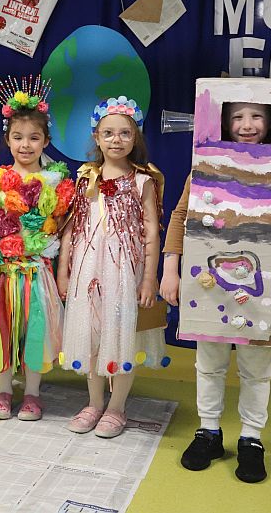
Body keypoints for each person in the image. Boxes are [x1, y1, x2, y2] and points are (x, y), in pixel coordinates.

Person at [159, 99, 271, 482]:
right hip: (211, 286)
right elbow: (181, 216)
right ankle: (208, 432)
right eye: (237, 116)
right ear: (224, 122)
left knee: (257, 368)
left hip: (264, 289)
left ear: (270, 122)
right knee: (209, 363)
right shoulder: (203, 168)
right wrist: (171, 269)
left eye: (256, 116)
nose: (247, 124)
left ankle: (252, 438)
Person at [0, 77, 72, 421]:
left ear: (46, 141)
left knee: (35, 332)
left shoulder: (55, 183)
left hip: (35, 273)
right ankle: (4, 390)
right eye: (18, 137)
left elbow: (61, 230)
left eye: (34, 138)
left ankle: (33, 394)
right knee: (0, 329)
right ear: (7, 139)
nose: (25, 145)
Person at [57, 96, 164, 438]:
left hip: (123, 272)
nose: (116, 140)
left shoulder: (143, 181)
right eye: (108, 133)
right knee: (91, 334)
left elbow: (151, 232)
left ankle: (116, 406)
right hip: (88, 270)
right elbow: (71, 229)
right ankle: (94, 402)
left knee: (121, 336)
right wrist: (64, 272)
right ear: (97, 137)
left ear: (136, 138)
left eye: (124, 133)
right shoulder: (85, 178)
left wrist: (149, 279)